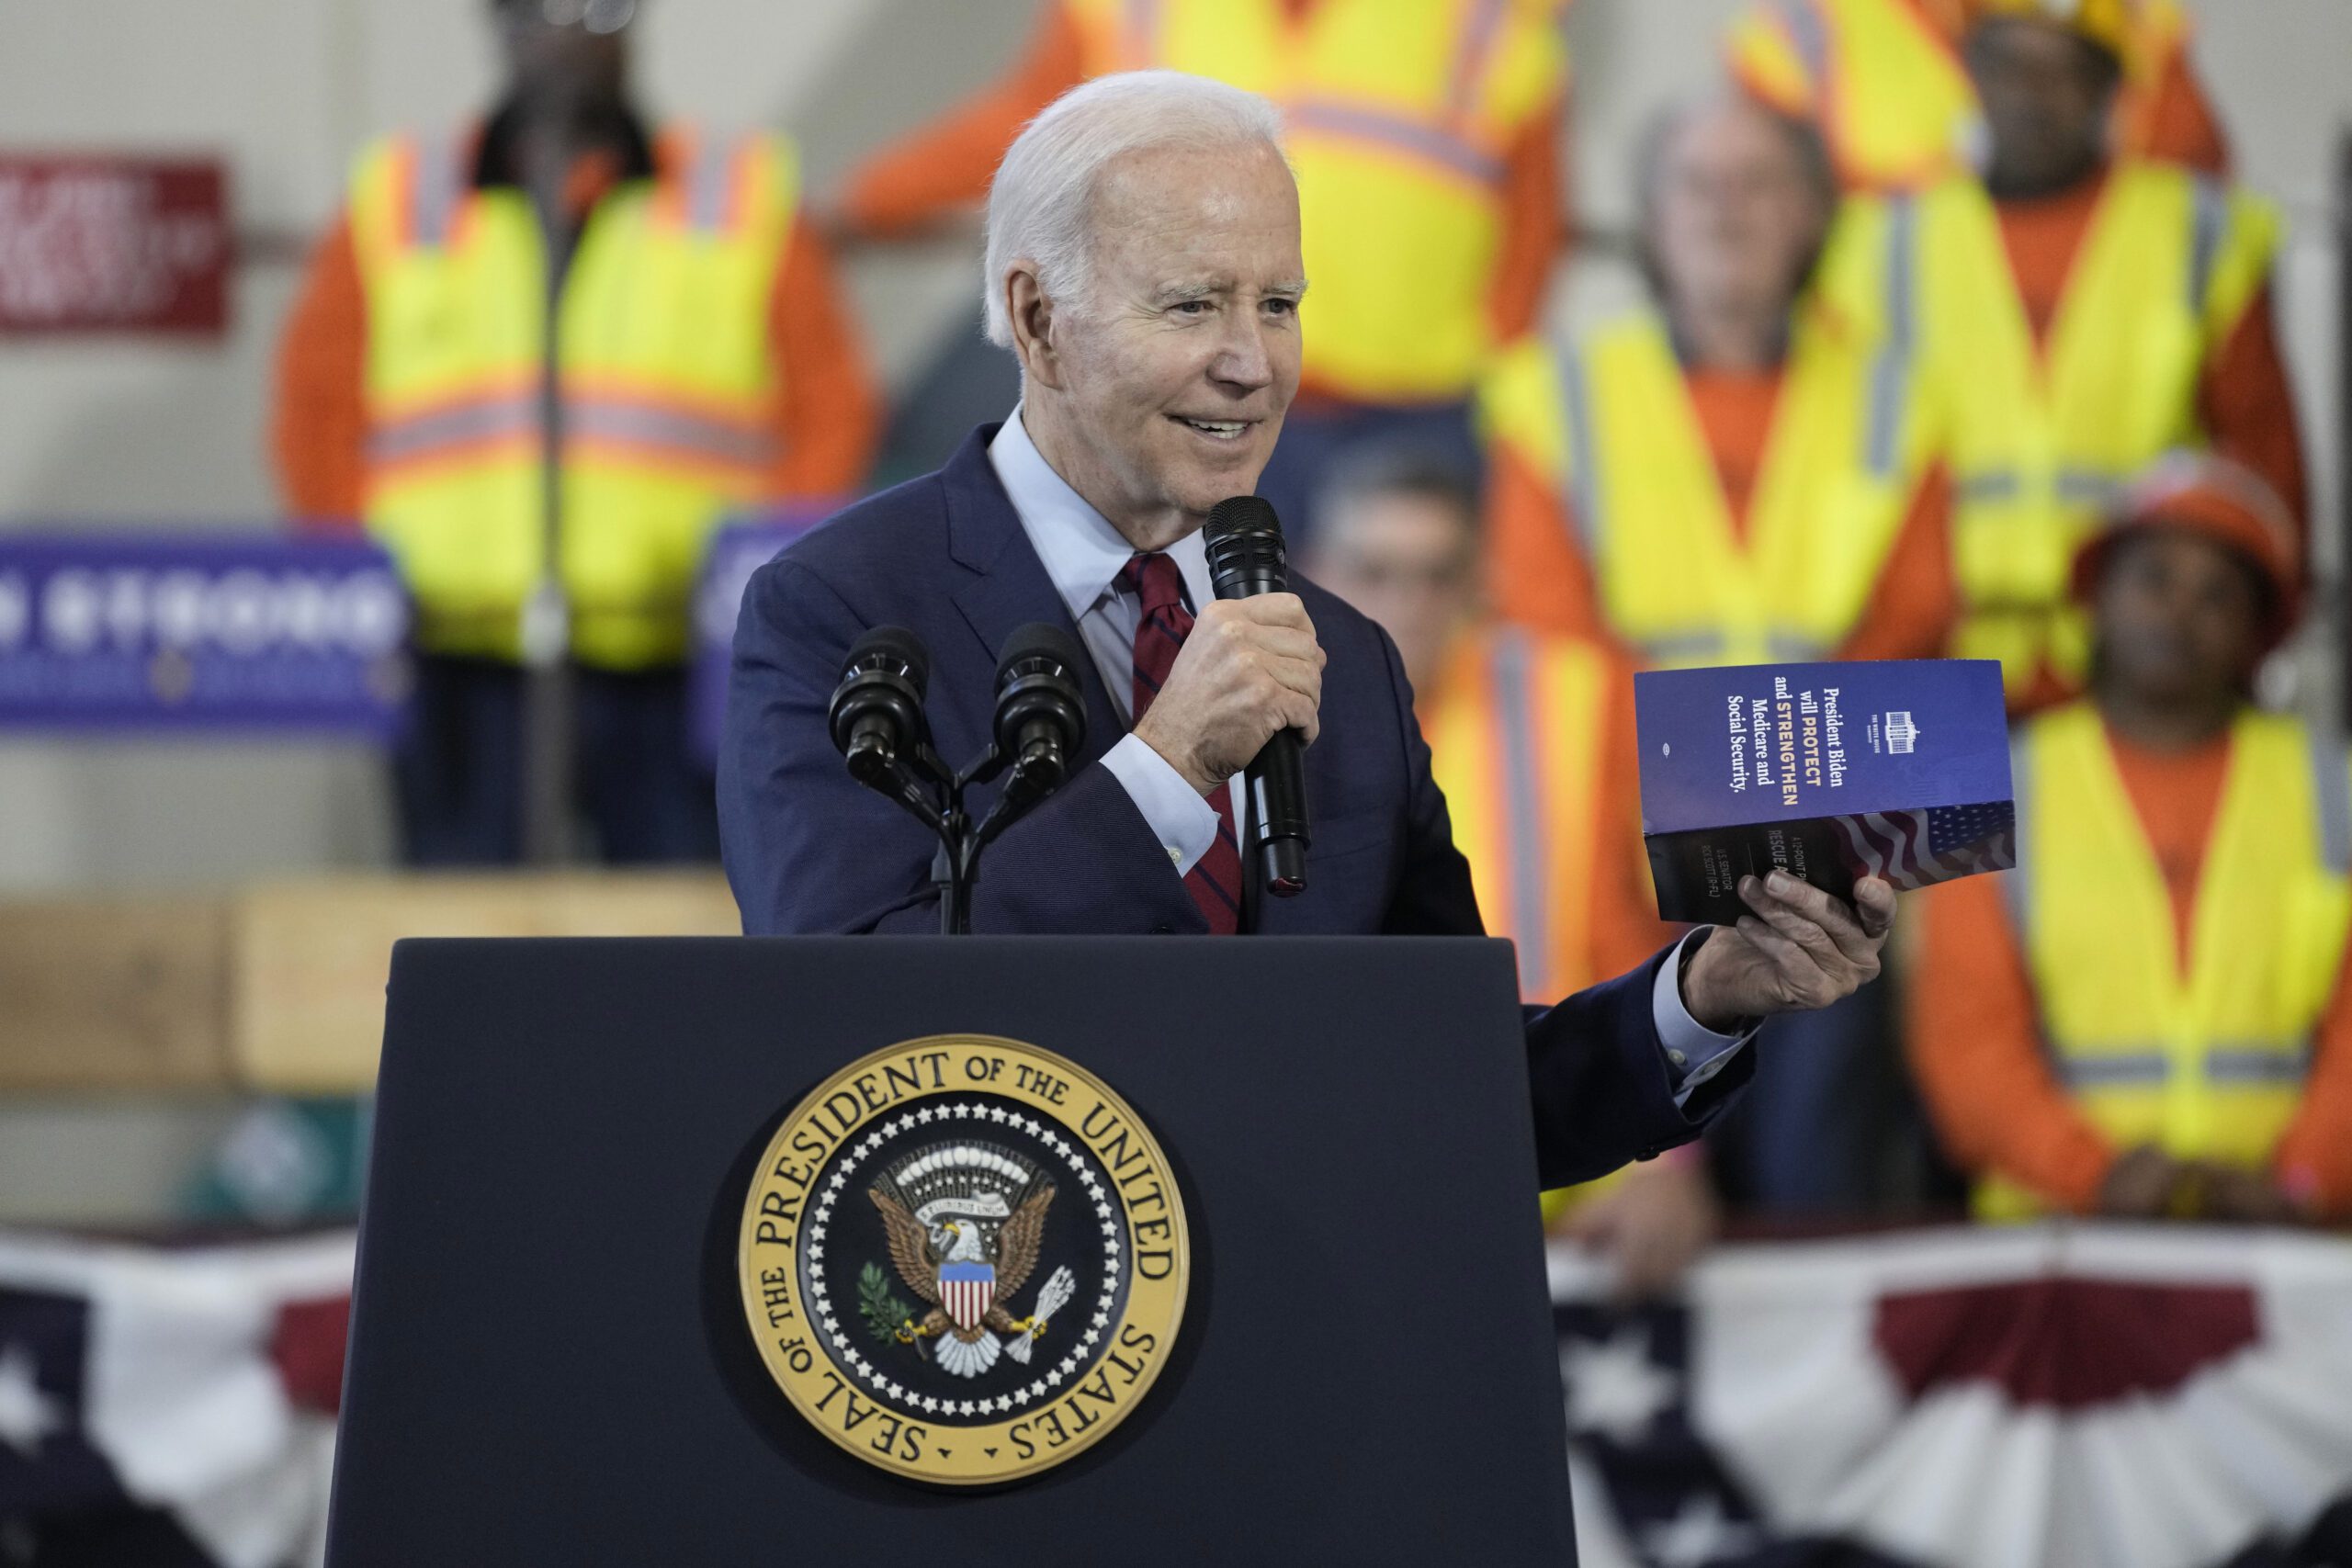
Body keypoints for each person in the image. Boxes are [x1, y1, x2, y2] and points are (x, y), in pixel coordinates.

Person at [720, 73, 1898, 1201]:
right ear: (1038, 320)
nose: (1253, 363)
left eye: (1277, 304)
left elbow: (1445, 1079)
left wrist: (1702, 995)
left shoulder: (1345, 653)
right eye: (1192, 304)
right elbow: (850, 1023)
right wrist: (1167, 770)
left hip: (1296, 1340)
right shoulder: (835, 609)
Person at [274, 0, 879, 865]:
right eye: (541, 12)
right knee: (467, 942)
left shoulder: (738, 193)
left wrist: (771, 590)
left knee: (687, 937)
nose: (570, 36)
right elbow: (316, 408)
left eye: (602, 12)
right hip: (456, 650)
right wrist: (360, 584)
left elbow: (828, 406)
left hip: (681, 656)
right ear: (499, 27)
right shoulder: (403, 194)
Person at [832, 0, 1573, 541]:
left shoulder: (1492, 23)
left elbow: (1531, 237)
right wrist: (862, 205)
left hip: (1410, 426)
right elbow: (1026, 131)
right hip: (1190, 414)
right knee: (1182, 669)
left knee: (1385, 689)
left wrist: (1489, 369)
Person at [1301, 451, 1713, 1292]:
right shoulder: (1246, 716)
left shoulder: (1576, 700)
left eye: (1435, 575)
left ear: (1478, 582)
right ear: (1314, 576)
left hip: (1556, 1174)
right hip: (1324, 1175)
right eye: (1375, 573)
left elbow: (1635, 943)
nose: (1407, 605)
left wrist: (1665, 1167)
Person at [1818, 0, 2302, 712]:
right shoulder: (1876, 245)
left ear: (2113, 88)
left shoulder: (2199, 235)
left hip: (2139, 668)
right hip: (1930, 659)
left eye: (2066, 71)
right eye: (2010, 64)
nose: (2032, 94)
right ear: (1970, 73)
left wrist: (2244, 650)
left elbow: (2262, 467)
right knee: (1953, 830)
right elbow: (1824, 458)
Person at [1909, 454, 2352, 1223]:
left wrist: (2301, 1185)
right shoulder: (1989, 792)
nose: (2180, 612)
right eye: (2154, 578)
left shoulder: (2332, 788)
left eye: (2217, 593)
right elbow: (1964, 1048)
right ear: (2098, 599)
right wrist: (2092, 1173)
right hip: (2055, 1248)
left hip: (2286, 1244)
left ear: (2256, 632)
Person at [1481, 90, 1953, 672]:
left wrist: (1782, 743)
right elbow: (1548, 624)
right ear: (1653, 221)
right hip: (1628, 761)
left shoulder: (1896, 404)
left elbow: (1916, 618)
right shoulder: (1549, 396)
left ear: (1809, 213)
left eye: (1755, 183)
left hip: (1832, 757)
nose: (1724, 210)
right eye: (1696, 184)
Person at [1725, 0, 2226, 193]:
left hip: (2080, 396)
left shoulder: (2123, 21)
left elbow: (2192, 237)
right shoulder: (1803, 37)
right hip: (1879, 398)